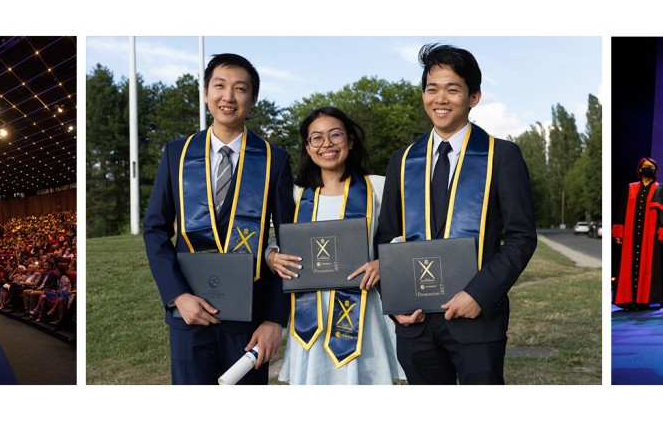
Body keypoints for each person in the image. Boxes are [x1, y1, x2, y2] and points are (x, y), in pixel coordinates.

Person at [373, 43, 537, 385]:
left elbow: (521, 238)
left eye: (453, 89)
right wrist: (396, 301)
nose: (440, 99)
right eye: (432, 89)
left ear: (473, 97)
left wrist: (479, 294)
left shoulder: (501, 156)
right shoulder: (403, 161)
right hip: (414, 322)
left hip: (476, 317)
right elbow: (387, 237)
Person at [143, 53, 294, 385]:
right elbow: (155, 228)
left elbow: (289, 241)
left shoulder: (274, 160)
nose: (228, 97)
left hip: (251, 318)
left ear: (253, 98)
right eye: (220, 86)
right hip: (190, 312)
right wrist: (177, 295)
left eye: (240, 89)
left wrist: (274, 319)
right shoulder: (176, 155)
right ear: (205, 92)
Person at [264, 106, 403, 384]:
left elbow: (403, 237)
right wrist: (271, 256)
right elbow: (277, 241)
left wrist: (384, 263)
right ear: (307, 147)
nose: (326, 144)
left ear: (350, 141)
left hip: (363, 312)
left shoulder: (377, 188)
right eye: (316, 137)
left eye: (335, 135)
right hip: (311, 316)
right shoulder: (295, 195)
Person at [612, 157, 663, 310]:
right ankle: (628, 300)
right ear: (639, 169)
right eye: (645, 166)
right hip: (631, 235)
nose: (647, 168)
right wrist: (619, 234)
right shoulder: (630, 188)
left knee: (650, 266)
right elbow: (621, 212)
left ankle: (644, 300)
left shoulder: (660, 188)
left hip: (650, 236)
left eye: (651, 166)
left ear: (655, 170)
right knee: (628, 266)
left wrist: (662, 234)